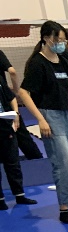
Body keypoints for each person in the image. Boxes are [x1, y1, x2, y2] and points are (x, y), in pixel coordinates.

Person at [18, 21, 68, 224]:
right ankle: (64, 209)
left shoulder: (64, 61)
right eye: (58, 39)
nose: (61, 43)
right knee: (65, 165)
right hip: (52, 117)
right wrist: (41, 119)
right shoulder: (38, 63)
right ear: (46, 38)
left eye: (63, 40)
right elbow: (23, 92)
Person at [0, 59, 36, 210]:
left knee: (13, 163)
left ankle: (20, 195)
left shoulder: (0, 82)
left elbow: (11, 98)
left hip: (5, 126)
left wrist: (15, 114)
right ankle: (0, 199)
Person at [0, 48, 43, 160]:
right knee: (21, 135)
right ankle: (36, 159)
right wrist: (15, 90)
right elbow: (12, 71)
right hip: (5, 101)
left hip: (5, 101)